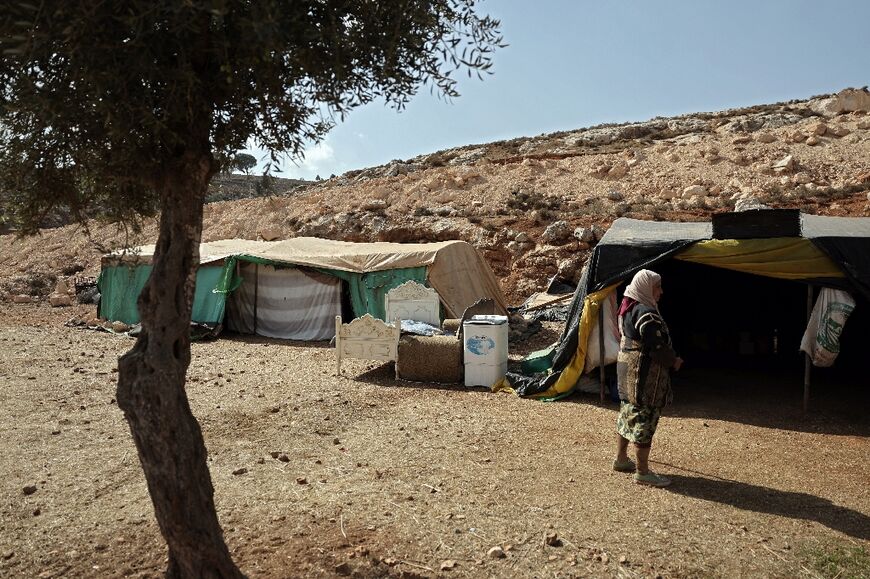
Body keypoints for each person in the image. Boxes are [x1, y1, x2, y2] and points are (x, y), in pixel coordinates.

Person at [612, 269, 683, 487]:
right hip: (642, 376)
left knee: (627, 413)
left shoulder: (628, 306)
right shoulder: (645, 313)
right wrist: (674, 361)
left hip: (627, 371)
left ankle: (622, 459)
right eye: (657, 287)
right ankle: (642, 472)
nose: (661, 292)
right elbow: (657, 345)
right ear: (646, 287)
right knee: (644, 417)